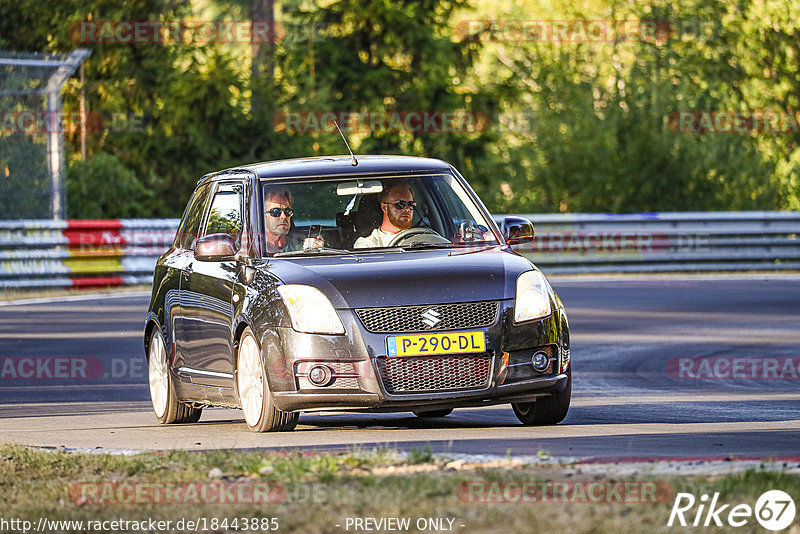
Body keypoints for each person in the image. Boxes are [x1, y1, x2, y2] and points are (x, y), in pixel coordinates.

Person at [354, 182, 416, 248]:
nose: (407, 209)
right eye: (400, 204)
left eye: (410, 204)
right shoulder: (368, 244)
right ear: (384, 207)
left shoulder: (420, 238)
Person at [263, 186, 323, 254]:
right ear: (262, 216)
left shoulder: (299, 247)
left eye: (287, 211)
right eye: (276, 212)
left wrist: (315, 250)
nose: (284, 216)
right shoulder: (253, 249)